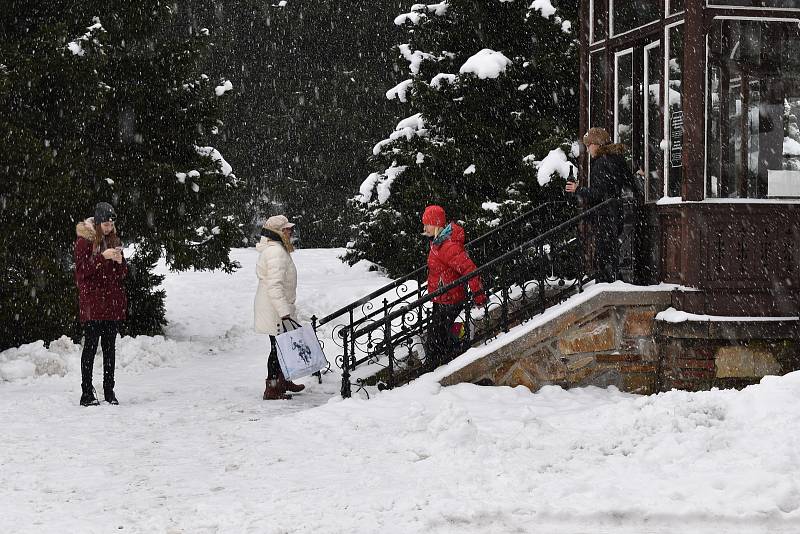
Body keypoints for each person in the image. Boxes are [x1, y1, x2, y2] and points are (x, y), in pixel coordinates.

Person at [74, 202, 127, 406]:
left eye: (111, 223)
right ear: (97, 222)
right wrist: (101, 258)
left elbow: (122, 274)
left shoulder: (114, 240)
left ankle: (109, 391)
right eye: (105, 223)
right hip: (93, 303)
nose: (109, 227)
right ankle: (86, 393)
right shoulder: (84, 242)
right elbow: (81, 273)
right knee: (90, 348)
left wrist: (120, 262)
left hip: (112, 303)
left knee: (110, 349)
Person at [422, 205, 487, 370]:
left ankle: (437, 369)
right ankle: (438, 366)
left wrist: (478, 294)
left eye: (427, 224)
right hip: (442, 298)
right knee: (438, 336)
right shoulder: (437, 243)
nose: (424, 228)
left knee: (436, 338)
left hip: (450, 298)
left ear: (436, 224)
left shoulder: (448, 246)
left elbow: (470, 270)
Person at [565, 127, 630, 283]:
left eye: (589, 145)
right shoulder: (615, 159)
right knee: (611, 253)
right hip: (616, 213)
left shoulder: (601, 163)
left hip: (605, 215)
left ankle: (608, 284)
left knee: (604, 255)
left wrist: (578, 190)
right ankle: (614, 281)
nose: (587, 149)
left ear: (598, 144)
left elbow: (599, 193)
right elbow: (622, 183)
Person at [254, 215, 306, 400]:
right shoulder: (275, 252)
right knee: (277, 349)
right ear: (277, 232)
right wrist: (284, 313)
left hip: (276, 307)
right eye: (286, 229)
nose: (290, 231)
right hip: (275, 309)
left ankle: (282, 381)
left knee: (282, 347)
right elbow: (274, 286)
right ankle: (273, 388)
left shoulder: (278, 249)